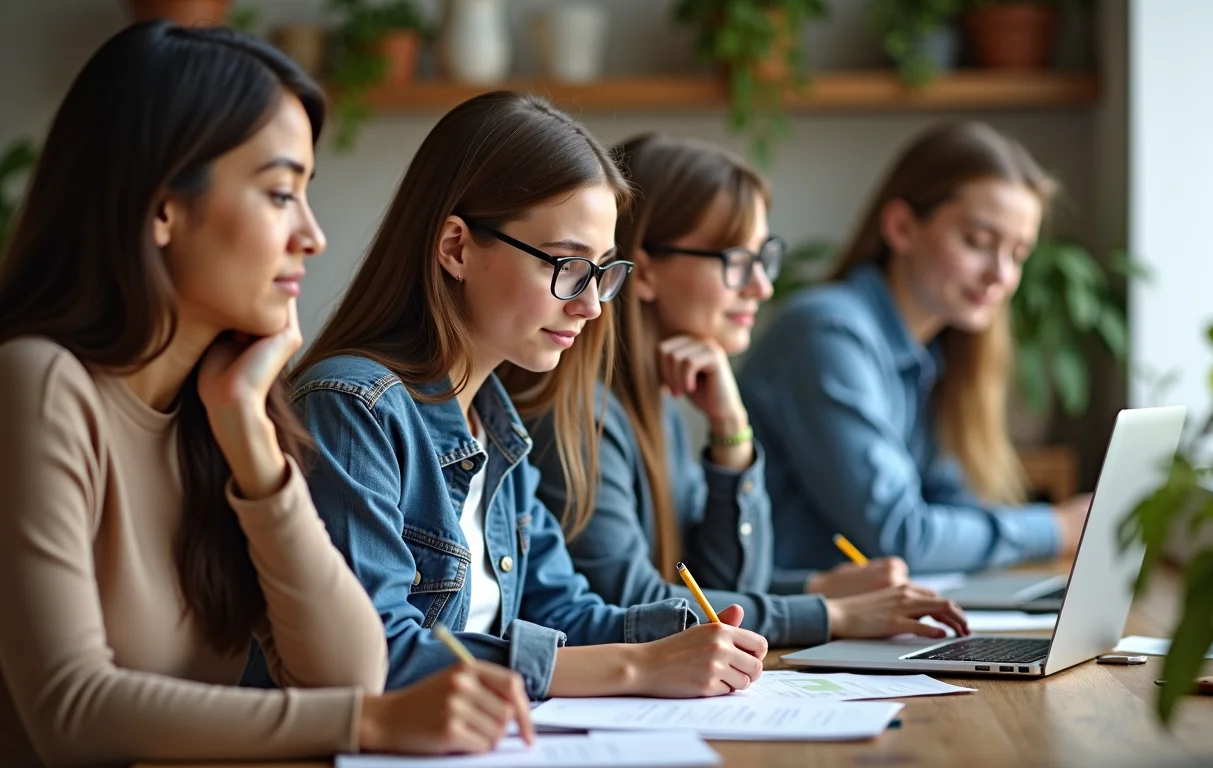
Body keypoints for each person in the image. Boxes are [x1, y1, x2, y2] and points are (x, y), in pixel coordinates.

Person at [0, 22, 534, 765]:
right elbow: (70, 711)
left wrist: (252, 442)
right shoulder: (38, 385)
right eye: (281, 193)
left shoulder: (218, 411)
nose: (312, 235)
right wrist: (369, 725)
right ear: (162, 206)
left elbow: (348, 673)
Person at [288, 92, 768, 703]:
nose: (591, 305)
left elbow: (561, 609)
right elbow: (382, 651)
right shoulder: (354, 408)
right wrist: (636, 670)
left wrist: (691, 636)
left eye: (603, 272)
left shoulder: (495, 421)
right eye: (567, 266)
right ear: (457, 248)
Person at [526, 133, 969, 650]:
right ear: (643, 271)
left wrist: (731, 434)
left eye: (764, 259)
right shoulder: (581, 416)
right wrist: (831, 612)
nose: (761, 286)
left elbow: (707, 577)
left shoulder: (655, 404)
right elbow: (634, 602)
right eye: (737, 261)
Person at [738, 121, 1092, 576]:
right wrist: (1059, 527)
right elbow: (901, 535)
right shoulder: (827, 334)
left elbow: (953, 504)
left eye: (1018, 254)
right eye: (979, 243)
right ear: (901, 228)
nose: (1002, 275)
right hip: (781, 632)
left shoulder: (934, 353)